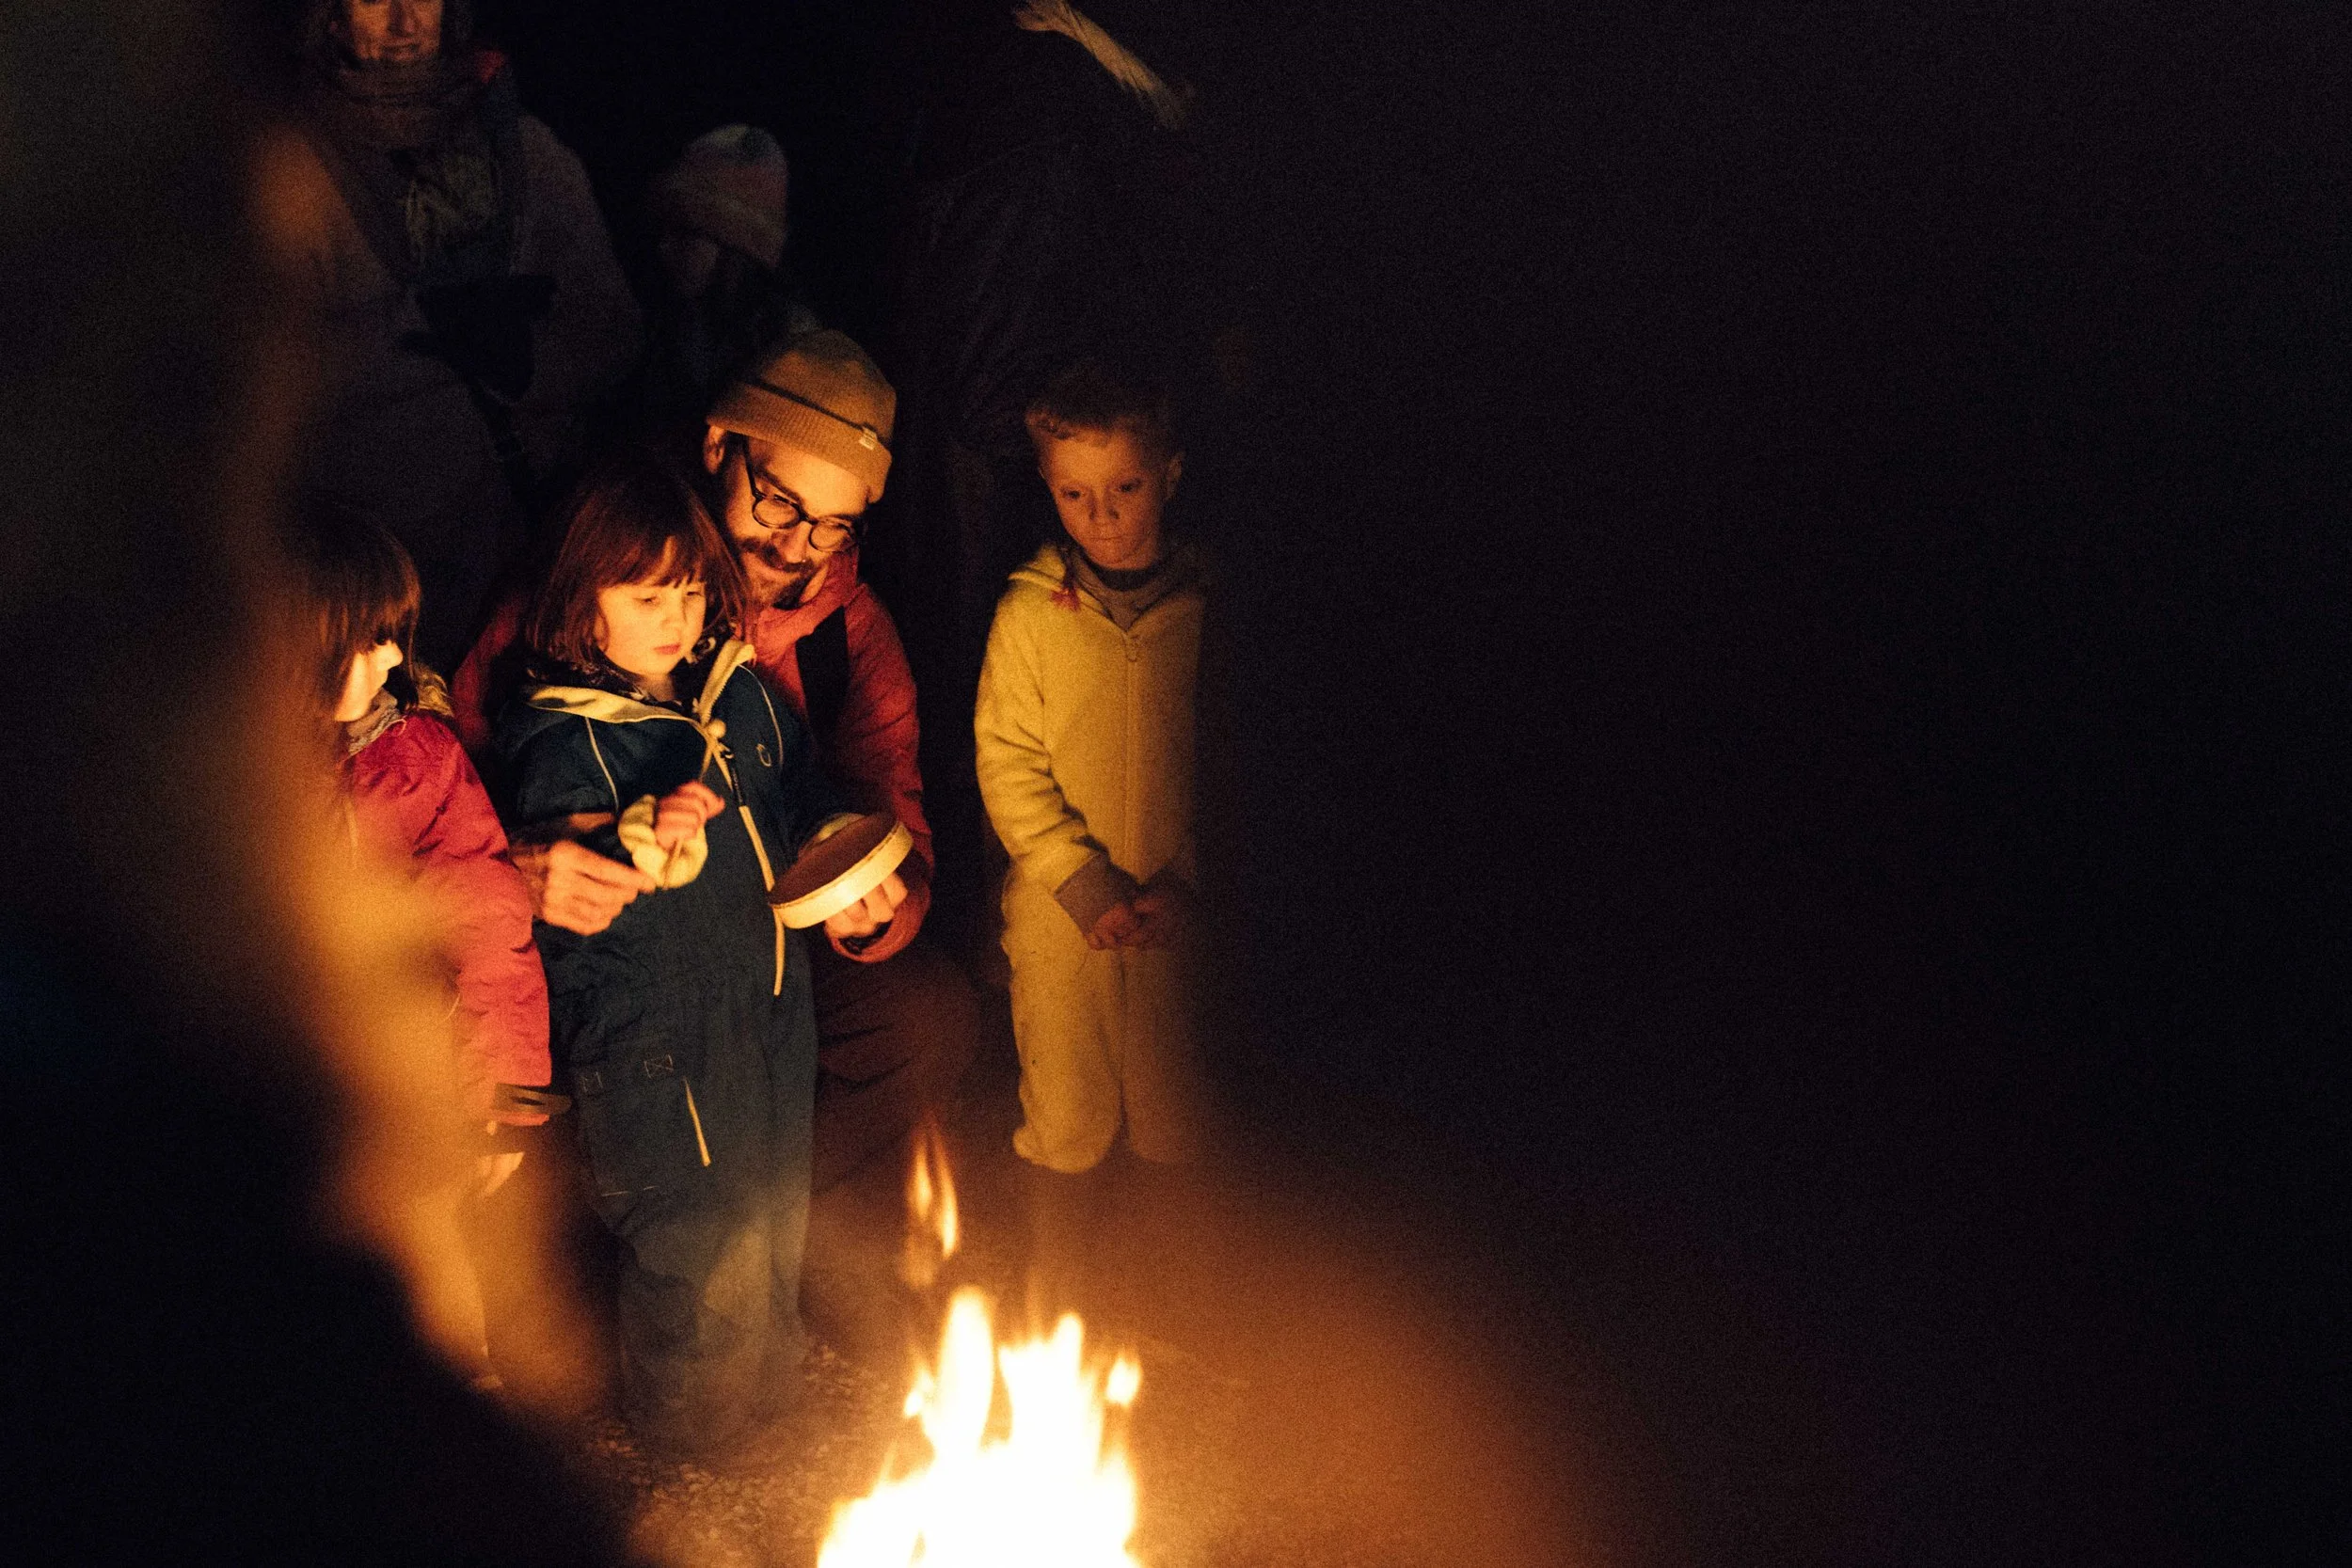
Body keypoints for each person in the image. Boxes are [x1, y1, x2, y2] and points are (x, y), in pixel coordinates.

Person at [454, 330, 979, 1196]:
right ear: (718, 447)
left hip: (757, 944)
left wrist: (874, 907)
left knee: (923, 1019)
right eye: (779, 502)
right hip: (599, 954)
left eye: (834, 525)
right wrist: (519, 869)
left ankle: (775, 1217)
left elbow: (895, 820)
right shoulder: (591, 572)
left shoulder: (850, 638)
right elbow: (441, 789)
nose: (798, 545)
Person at [494, 449, 888, 1464]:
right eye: (646, 596)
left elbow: (799, 786)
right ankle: (694, 1427)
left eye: (689, 590)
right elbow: (567, 872)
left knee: (773, 1200)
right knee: (695, 1229)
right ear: (582, 608)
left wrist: (840, 843)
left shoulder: (737, 693)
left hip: (767, 1002)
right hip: (653, 1039)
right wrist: (644, 835)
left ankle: (767, 1388)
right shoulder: (563, 740)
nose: (675, 616)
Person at [269, 0, 643, 670]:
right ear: (331, 17)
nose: (404, 21)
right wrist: (421, 331)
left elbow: (613, 329)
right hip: (372, 586)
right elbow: (263, 379)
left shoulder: (525, 155)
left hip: (527, 571)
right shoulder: (294, 174)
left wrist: (525, 359)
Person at [291, 516, 561, 1386]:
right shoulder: (229, 776)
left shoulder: (419, 760)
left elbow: (486, 924)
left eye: (392, 634)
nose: (391, 659)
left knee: (436, 1289)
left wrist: (504, 1100)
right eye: (364, 638)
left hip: (412, 1092)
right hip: (286, 1107)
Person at [975, 356, 1204, 1175]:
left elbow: (1233, 768)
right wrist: (1075, 878)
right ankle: (1056, 1243)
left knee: (1183, 1119)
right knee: (1065, 1116)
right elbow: (1006, 759)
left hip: (1180, 917)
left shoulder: (1206, 612)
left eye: (1126, 488)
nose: (1101, 515)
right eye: (1074, 494)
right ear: (1048, 486)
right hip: (1060, 918)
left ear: (1169, 475)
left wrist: (1195, 879)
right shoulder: (1029, 614)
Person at [641, 124, 821, 423]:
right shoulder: (676, 322)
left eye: (686, 235)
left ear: (735, 252)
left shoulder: (788, 350)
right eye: (664, 232)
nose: (663, 247)